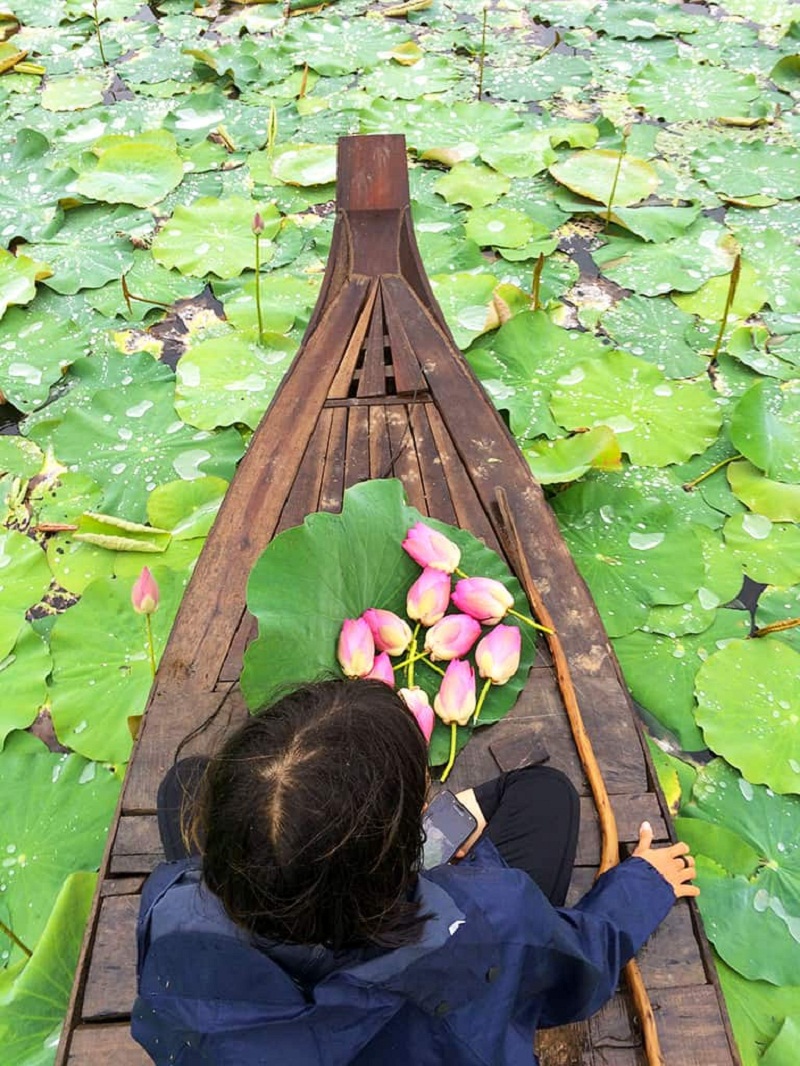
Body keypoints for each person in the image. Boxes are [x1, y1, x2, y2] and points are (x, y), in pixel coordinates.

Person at [132, 679, 699, 1065]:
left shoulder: (172, 911)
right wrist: (641, 885)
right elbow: (572, 971)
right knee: (546, 794)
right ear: (396, 857)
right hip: (422, 1014)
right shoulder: (481, 920)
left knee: (182, 782)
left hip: (271, 992)